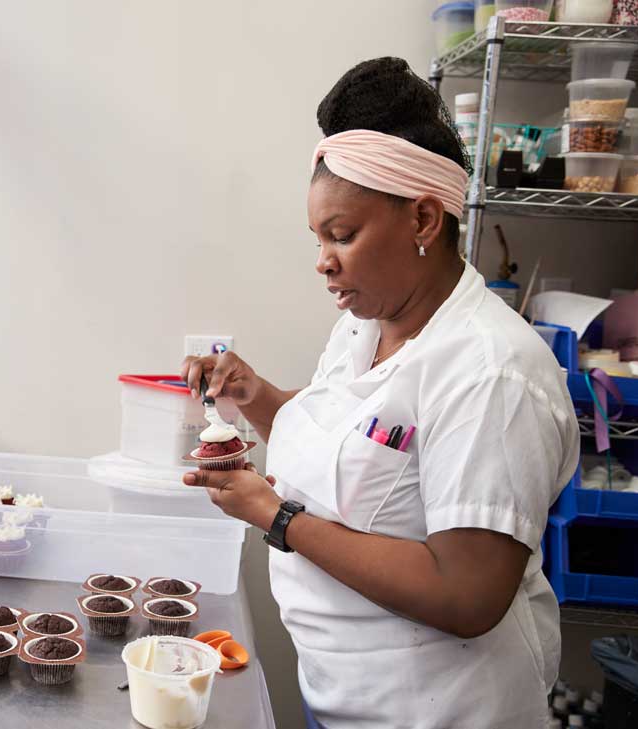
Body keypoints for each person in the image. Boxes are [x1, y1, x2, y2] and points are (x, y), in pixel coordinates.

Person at [181, 57, 579, 728]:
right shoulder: (365, 326)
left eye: (341, 235)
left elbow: (467, 591)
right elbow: (348, 450)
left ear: (424, 220)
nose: (322, 260)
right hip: (342, 697)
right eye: (318, 238)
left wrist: (279, 518)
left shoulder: (490, 372)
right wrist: (254, 395)